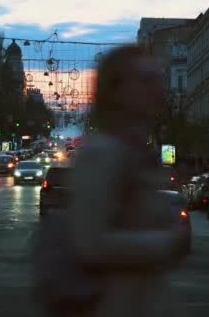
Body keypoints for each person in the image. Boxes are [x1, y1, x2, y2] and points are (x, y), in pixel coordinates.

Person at [67, 46, 189, 317]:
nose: (157, 88)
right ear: (116, 92)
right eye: (145, 80)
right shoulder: (101, 152)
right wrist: (167, 242)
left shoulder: (135, 149)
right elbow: (90, 243)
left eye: (158, 78)